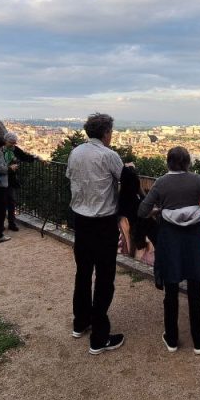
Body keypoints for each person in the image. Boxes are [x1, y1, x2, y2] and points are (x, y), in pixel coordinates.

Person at [139, 146, 200, 355]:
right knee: (195, 291)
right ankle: (198, 340)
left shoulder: (161, 182)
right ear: (188, 162)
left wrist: (161, 211)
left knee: (171, 292)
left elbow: (142, 211)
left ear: (168, 162)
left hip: (169, 241)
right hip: (193, 242)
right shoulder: (197, 181)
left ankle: (171, 339)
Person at [66, 112, 124, 355]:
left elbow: (71, 178)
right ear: (106, 133)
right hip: (103, 222)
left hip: (81, 219)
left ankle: (81, 322)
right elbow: (124, 180)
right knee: (104, 277)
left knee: (83, 272)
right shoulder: (109, 155)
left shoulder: (75, 152)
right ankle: (99, 337)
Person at [4, 132, 38, 231]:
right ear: (6, 141)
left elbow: (24, 156)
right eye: (11, 142)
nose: (13, 145)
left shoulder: (13, 149)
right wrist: (10, 167)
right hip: (2, 178)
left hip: (10, 179)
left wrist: (34, 158)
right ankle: (3, 223)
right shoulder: (0, 150)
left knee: (11, 201)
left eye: (14, 143)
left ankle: (11, 223)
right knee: (5, 202)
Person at [117, 152, 143, 257]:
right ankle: (130, 254)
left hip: (122, 212)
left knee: (124, 233)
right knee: (131, 234)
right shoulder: (135, 198)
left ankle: (125, 252)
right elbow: (142, 194)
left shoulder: (121, 195)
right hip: (133, 212)